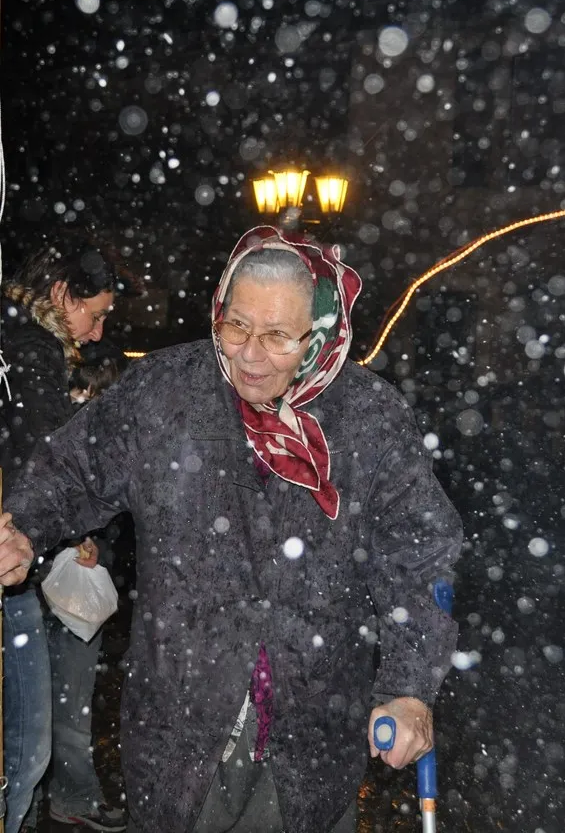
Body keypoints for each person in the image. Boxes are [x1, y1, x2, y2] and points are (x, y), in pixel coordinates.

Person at [0, 226, 463, 833]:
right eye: (236, 326)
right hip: (181, 720)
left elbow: (417, 556)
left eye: (277, 336)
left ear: (320, 333)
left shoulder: (368, 418)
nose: (249, 354)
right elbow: (73, 468)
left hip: (312, 725)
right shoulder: (166, 393)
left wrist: (409, 687)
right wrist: (24, 527)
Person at [0, 239, 116, 833]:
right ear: (63, 295)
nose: (97, 333)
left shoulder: (18, 340)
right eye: (95, 314)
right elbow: (44, 460)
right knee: (25, 748)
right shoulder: (29, 350)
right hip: (11, 566)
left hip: (22, 559)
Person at [22, 352, 129, 832]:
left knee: (66, 703)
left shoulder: (112, 443)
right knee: (34, 705)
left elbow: (117, 515)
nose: (82, 402)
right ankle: (31, 802)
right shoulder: (40, 425)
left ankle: (68, 797)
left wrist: (99, 548)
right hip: (27, 587)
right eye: (78, 390)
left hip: (70, 592)